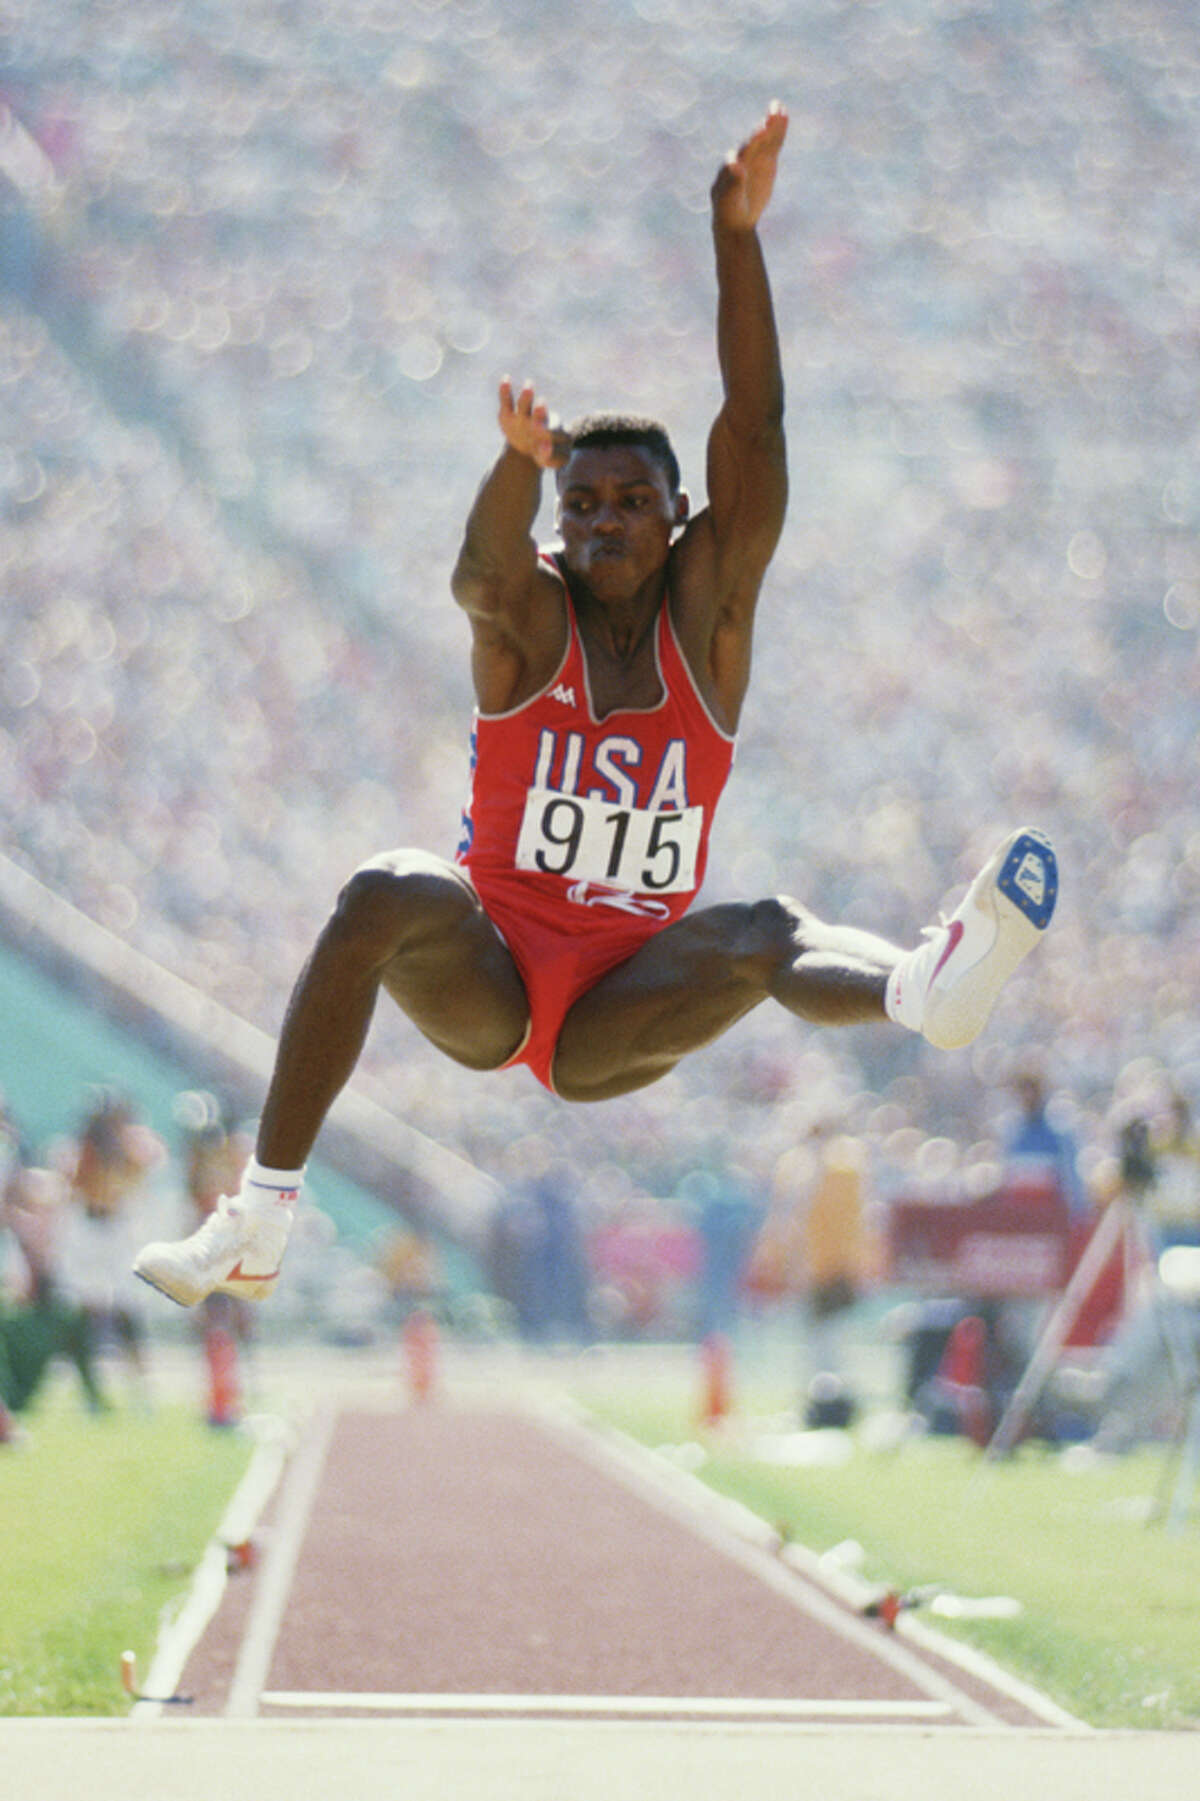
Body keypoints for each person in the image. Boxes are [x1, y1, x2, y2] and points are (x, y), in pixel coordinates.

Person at [134, 105, 1058, 1310]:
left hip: (618, 1004)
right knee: (382, 892)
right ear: (556, 523)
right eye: (581, 504)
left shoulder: (711, 625)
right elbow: (477, 575)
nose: (603, 520)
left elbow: (757, 429)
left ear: (680, 520)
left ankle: (921, 989)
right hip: (501, 974)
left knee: (766, 927)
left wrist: (735, 237)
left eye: (631, 501)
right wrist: (516, 467)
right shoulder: (532, 619)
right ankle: (260, 1215)